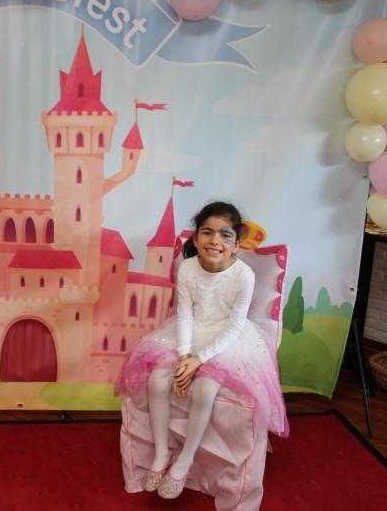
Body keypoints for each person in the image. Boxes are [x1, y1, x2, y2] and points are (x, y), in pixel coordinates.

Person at [116, 201, 288, 500]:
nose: (215, 241)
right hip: (189, 332)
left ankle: (184, 460)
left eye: (225, 235)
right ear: (196, 239)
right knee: (158, 380)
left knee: (205, 389)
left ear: (236, 244)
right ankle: (161, 454)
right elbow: (184, 314)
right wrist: (184, 356)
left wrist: (198, 360)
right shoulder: (188, 268)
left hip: (228, 339)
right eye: (207, 232)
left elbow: (234, 326)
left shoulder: (244, 275)